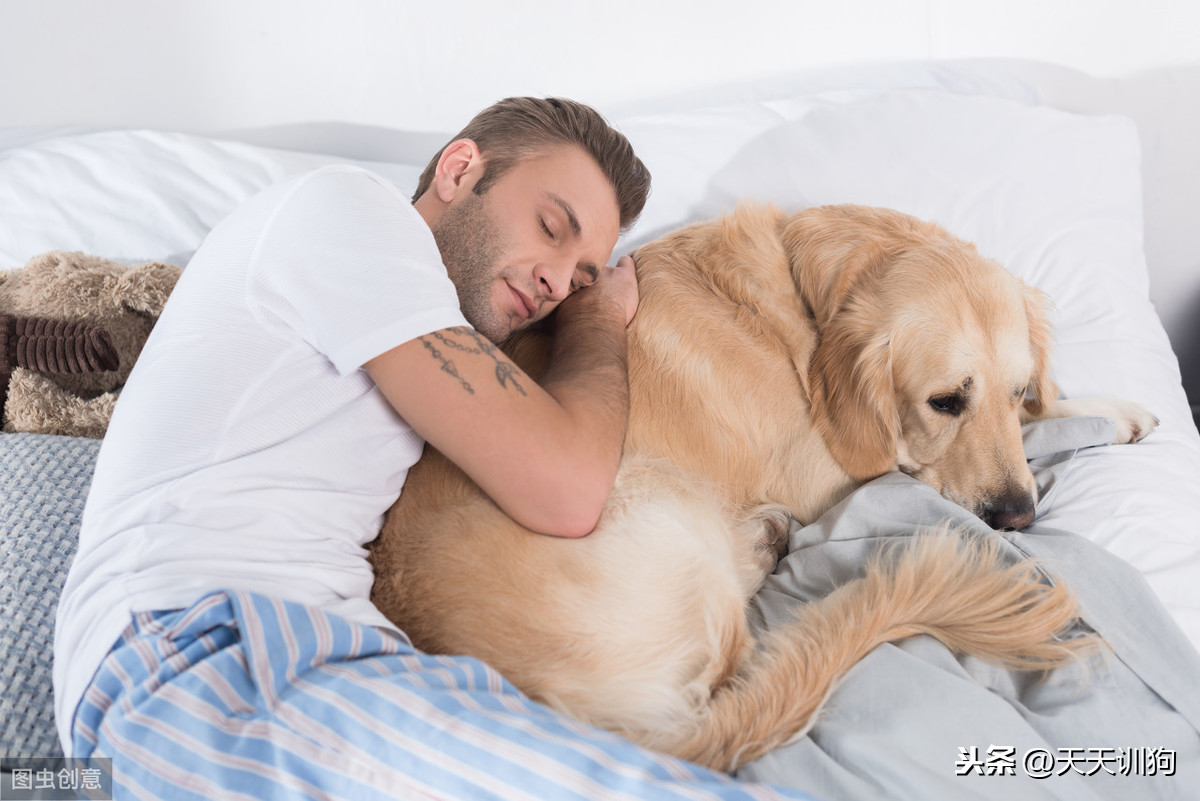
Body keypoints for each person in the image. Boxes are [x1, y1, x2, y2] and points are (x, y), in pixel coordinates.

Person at [52, 97, 816, 800]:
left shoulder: (413, 344)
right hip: (197, 656)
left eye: (586, 275)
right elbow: (567, 489)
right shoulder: (347, 212)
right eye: (552, 228)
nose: (559, 281)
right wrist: (598, 319)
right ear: (460, 169)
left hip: (346, 663)